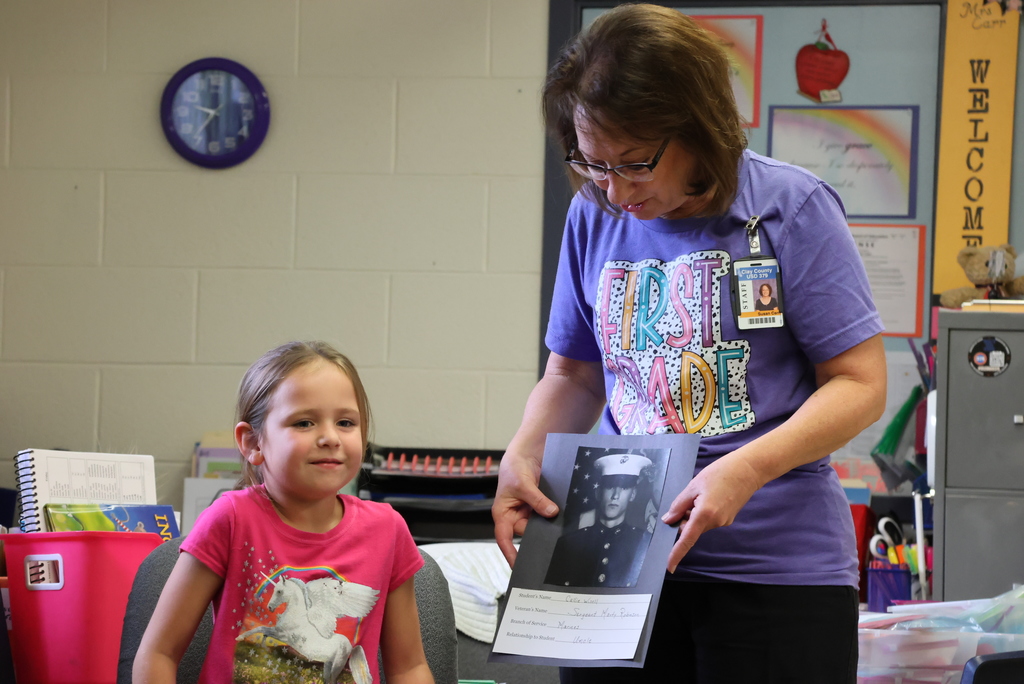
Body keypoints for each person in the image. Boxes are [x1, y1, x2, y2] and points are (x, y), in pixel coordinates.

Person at [492, 5, 886, 683]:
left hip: (771, 568)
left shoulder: (791, 207)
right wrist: (521, 455)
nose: (616, 189)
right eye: (593, 165)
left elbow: (859, 384)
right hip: (613, 562)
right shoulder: (596, 212)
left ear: (698, 127)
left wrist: (746, 470)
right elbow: (575, 375)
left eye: (636, 164)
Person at [133, 341, 433, 684]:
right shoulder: (230, 519)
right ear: (253, 443)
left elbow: (408, 668)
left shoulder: (387, 529)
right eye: (305, 423)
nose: (330, 437)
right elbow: (158, 654)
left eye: (346, 422)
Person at [545, 452, 653, 587]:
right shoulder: (567, 543)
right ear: (598, 492)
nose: (615, 495)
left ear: (633, 495)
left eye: (624, 488)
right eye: (609, 487)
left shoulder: (646, 543)